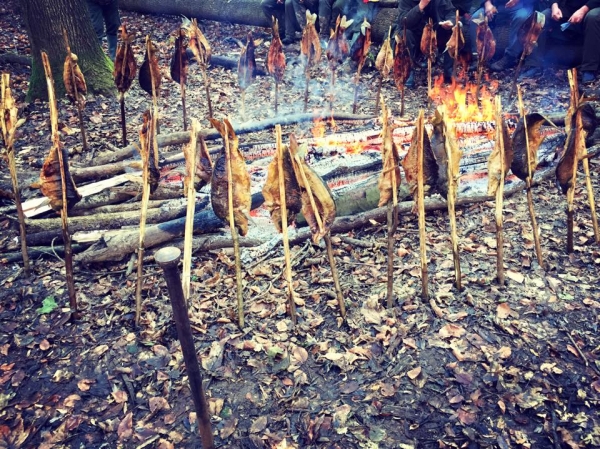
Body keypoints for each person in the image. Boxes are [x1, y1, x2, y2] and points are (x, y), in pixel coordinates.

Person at [522, 0, 600, 83]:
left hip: (593, 6)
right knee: (541, 17)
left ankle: (589, 69)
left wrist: (583, 10)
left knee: (592, 17)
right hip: (567, 8)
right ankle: (533, 64)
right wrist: (554, 6)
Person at [396, 0, 457, 86]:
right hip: (415, 34)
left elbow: (451, 12)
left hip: (435, 32)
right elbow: (404, 22)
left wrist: (451, 22)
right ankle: (408, 72)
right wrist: (421, 5)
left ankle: (449, 71)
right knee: (405, 34)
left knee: (453, 31)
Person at [469, 0, 534, 71]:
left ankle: (510, 57)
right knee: (476, 18)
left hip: (520, 7)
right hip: (495, 5)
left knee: (522, 18)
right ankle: (477, 57)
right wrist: (487, 3)